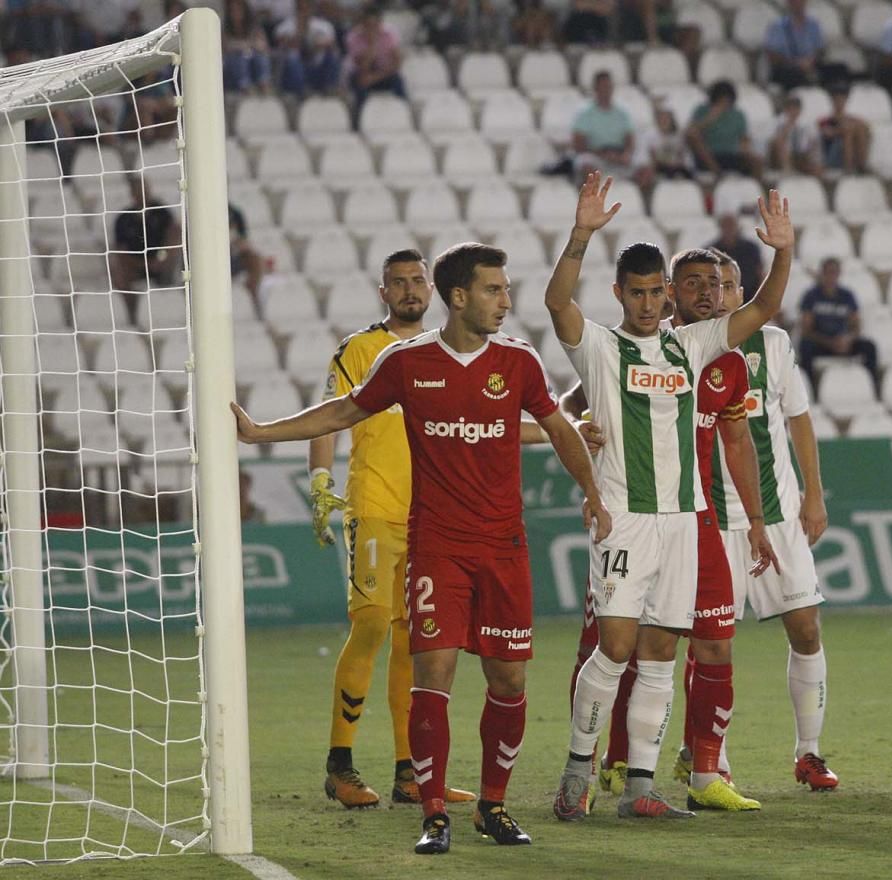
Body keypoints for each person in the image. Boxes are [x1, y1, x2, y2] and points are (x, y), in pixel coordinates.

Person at [232, 242, 611, 855]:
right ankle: (431, 811)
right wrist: (261, 432)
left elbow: (557, 427)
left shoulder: (518, 361)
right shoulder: (406, 362)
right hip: (436, 544)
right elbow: (342, 412)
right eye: (494, 290)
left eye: (507, 290)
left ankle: (494, 805)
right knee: (431, 670)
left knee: (508, 679)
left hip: (504, 547)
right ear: (458, 296)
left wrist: (591, 491)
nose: (505, 302)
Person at [548, 173, 794, 821]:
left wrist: (783, 253)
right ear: (620, 294)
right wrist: (581, 235)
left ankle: (641, 787)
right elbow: (556, 305)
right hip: (626, 522)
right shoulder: (601, 349)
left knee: (661, 652)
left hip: (685, 523)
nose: (651, 304)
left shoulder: (691, 346)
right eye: (640, 293)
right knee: (617, 646)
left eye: (658, 293)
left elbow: (762, 311)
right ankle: (577, 769)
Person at [306, 249, 476, 814]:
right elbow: (330, 414)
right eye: (398, 283)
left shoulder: (442, 353)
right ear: (383, 293)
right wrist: (321, 478)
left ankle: (411, 773)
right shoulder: (360, 349)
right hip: (375, 506)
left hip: (429, 514)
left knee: (416, 641)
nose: (409, 290)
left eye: (417, 281)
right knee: (374, 623)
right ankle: (340, 765)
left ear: (432, 290)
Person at [700, 249, 839, 793]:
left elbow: (799, 419)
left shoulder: (774, 344)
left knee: (806, 628)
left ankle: (808, 753)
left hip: (778, 514)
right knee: (713, 643)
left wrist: (814, 494)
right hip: (712, 518)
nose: (725, 295)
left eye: (733, 285)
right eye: (716, 286)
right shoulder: (682, 347)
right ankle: (715, 760)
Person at [797, 257, 880, 395]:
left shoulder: (847, 296)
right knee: (805, 346)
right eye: (828, 272)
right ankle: (811, 392)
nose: (831, 276)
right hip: (822, 342)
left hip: (843, 342)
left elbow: (857, 326)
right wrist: (829, 342)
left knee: (869, 347)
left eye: (834, 272)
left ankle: (873, 388)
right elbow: (806, 330)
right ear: (822, 274)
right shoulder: (811, 296)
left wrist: (848, 339)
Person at [109, 179, 181, 325]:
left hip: (163, 265)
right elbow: (120, 251)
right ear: (132, 194)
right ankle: (133, 316)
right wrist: (143, 264)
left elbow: (174, 236)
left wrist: (162, 259)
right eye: (138, 191)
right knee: (119, 273)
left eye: (145, 189)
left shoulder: (162, 213)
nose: (143, 194)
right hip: (135, 267)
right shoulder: (123, 219)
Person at [686, 80, 763, 179]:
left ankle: (755, 189)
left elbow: (744, 139)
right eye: (721, 100)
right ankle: (719, 175)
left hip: (732, 154)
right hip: (709, 155)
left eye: (727, 100)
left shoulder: (738, 114)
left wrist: (746, 149)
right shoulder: (702, 110)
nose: (724, 103)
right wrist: (709, 118)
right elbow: (690, 133)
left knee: (757, 161)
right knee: (694, 139)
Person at [344, 2, 406, 124]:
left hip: (382, 73)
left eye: (375, 25)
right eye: (368, 25)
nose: (372, 28)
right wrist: (372, 45)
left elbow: (397, 64)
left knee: (398, 81)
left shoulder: (390, 34)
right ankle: (359, 122)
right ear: (362, 24)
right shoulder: (353, 37)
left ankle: (403, 115)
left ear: (380, 23)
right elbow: (362, 68)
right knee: (360, 87)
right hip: (362, 73)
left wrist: (375, 77)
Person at [764, 0, 846, 90]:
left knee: (840, 69)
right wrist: (796, 63)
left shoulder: (813, 24)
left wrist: (810, 61)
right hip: (787, 68)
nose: (798, 3)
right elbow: (772, 55)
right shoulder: (778, 26)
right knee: (792, 74)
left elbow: (820, 50)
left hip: (810, 65)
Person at [572, 71, 636, 180]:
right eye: (603, 87)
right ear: (596, 89)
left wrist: (623, 155)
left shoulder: (622, 113)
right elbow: (579, 145)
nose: (606, 90)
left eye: (608, 87)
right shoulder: (584, 114)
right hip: (594, 155)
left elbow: (630, 140)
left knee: (644, 168)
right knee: (586, 166)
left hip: (619, 154)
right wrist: (602, 154)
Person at [275, 0, 341, 98]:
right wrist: (300, 31)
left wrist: (316, 43)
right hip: (295, 69)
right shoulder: (285, 26)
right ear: (296, 8)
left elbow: (331, 44)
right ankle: (300, 93)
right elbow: (283, 43)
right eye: (301, 7)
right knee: (292, 57)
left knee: (333, 56)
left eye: (307, 7)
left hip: (318, 67)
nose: (304, 10)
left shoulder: (324, 26)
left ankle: (330, 89)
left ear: (312, 8)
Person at [816, 81, 871, 177]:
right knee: (848, 130)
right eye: (836, 99)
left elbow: (866, 128)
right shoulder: (825, 120)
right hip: (832, 156)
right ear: (832, 101)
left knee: (859, 128)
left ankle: (862, 166)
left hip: (852, 151)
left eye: (842, 99)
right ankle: (848, 168)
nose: (839, 102)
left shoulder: (852, 119)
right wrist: (841, 129)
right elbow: (827, 134)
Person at [634, 104, 694, 190]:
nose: (664, 121)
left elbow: (685, 158)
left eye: (666, 118)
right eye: (661, 118)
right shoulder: (648, 136)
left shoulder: (678, 137)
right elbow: (644, 158)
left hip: (676, 167)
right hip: (657, 167)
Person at [708, 212, 764, 298]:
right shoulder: (711, 251)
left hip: (749, 297)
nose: (729, 229)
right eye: (726, 226)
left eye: (731, 225)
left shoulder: (751, 248)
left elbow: (760, 272)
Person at [223, 0, 272, 95]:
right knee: (241, 57)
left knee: (260, 57)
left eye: (238, 10)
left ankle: (264, 85)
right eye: (233, 11)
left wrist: (247, 46)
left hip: (252, 64)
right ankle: (245, 88)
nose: (236, 13)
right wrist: (244, 46)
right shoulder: (226, 28)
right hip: (233, 66)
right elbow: (226, 46)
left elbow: (262, 45)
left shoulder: (254, 27)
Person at [770, 93, 822, 177]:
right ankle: (787, 171)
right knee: (780, 143)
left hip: (801, 156)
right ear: (786, 109)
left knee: (815, 159)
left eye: (795, 108)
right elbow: (775, 144)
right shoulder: (779, 122)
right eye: (790, 108)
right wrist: (787, 128)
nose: (793, 111)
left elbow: (811, 143)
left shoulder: (807, 123)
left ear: (799, 109)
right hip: (783, 156)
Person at [229, 204, 265, 307]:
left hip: (232, 256)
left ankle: (254, 295)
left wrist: (235, 242)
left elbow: (244, 241)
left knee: (255, 258)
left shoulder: (235, 213)